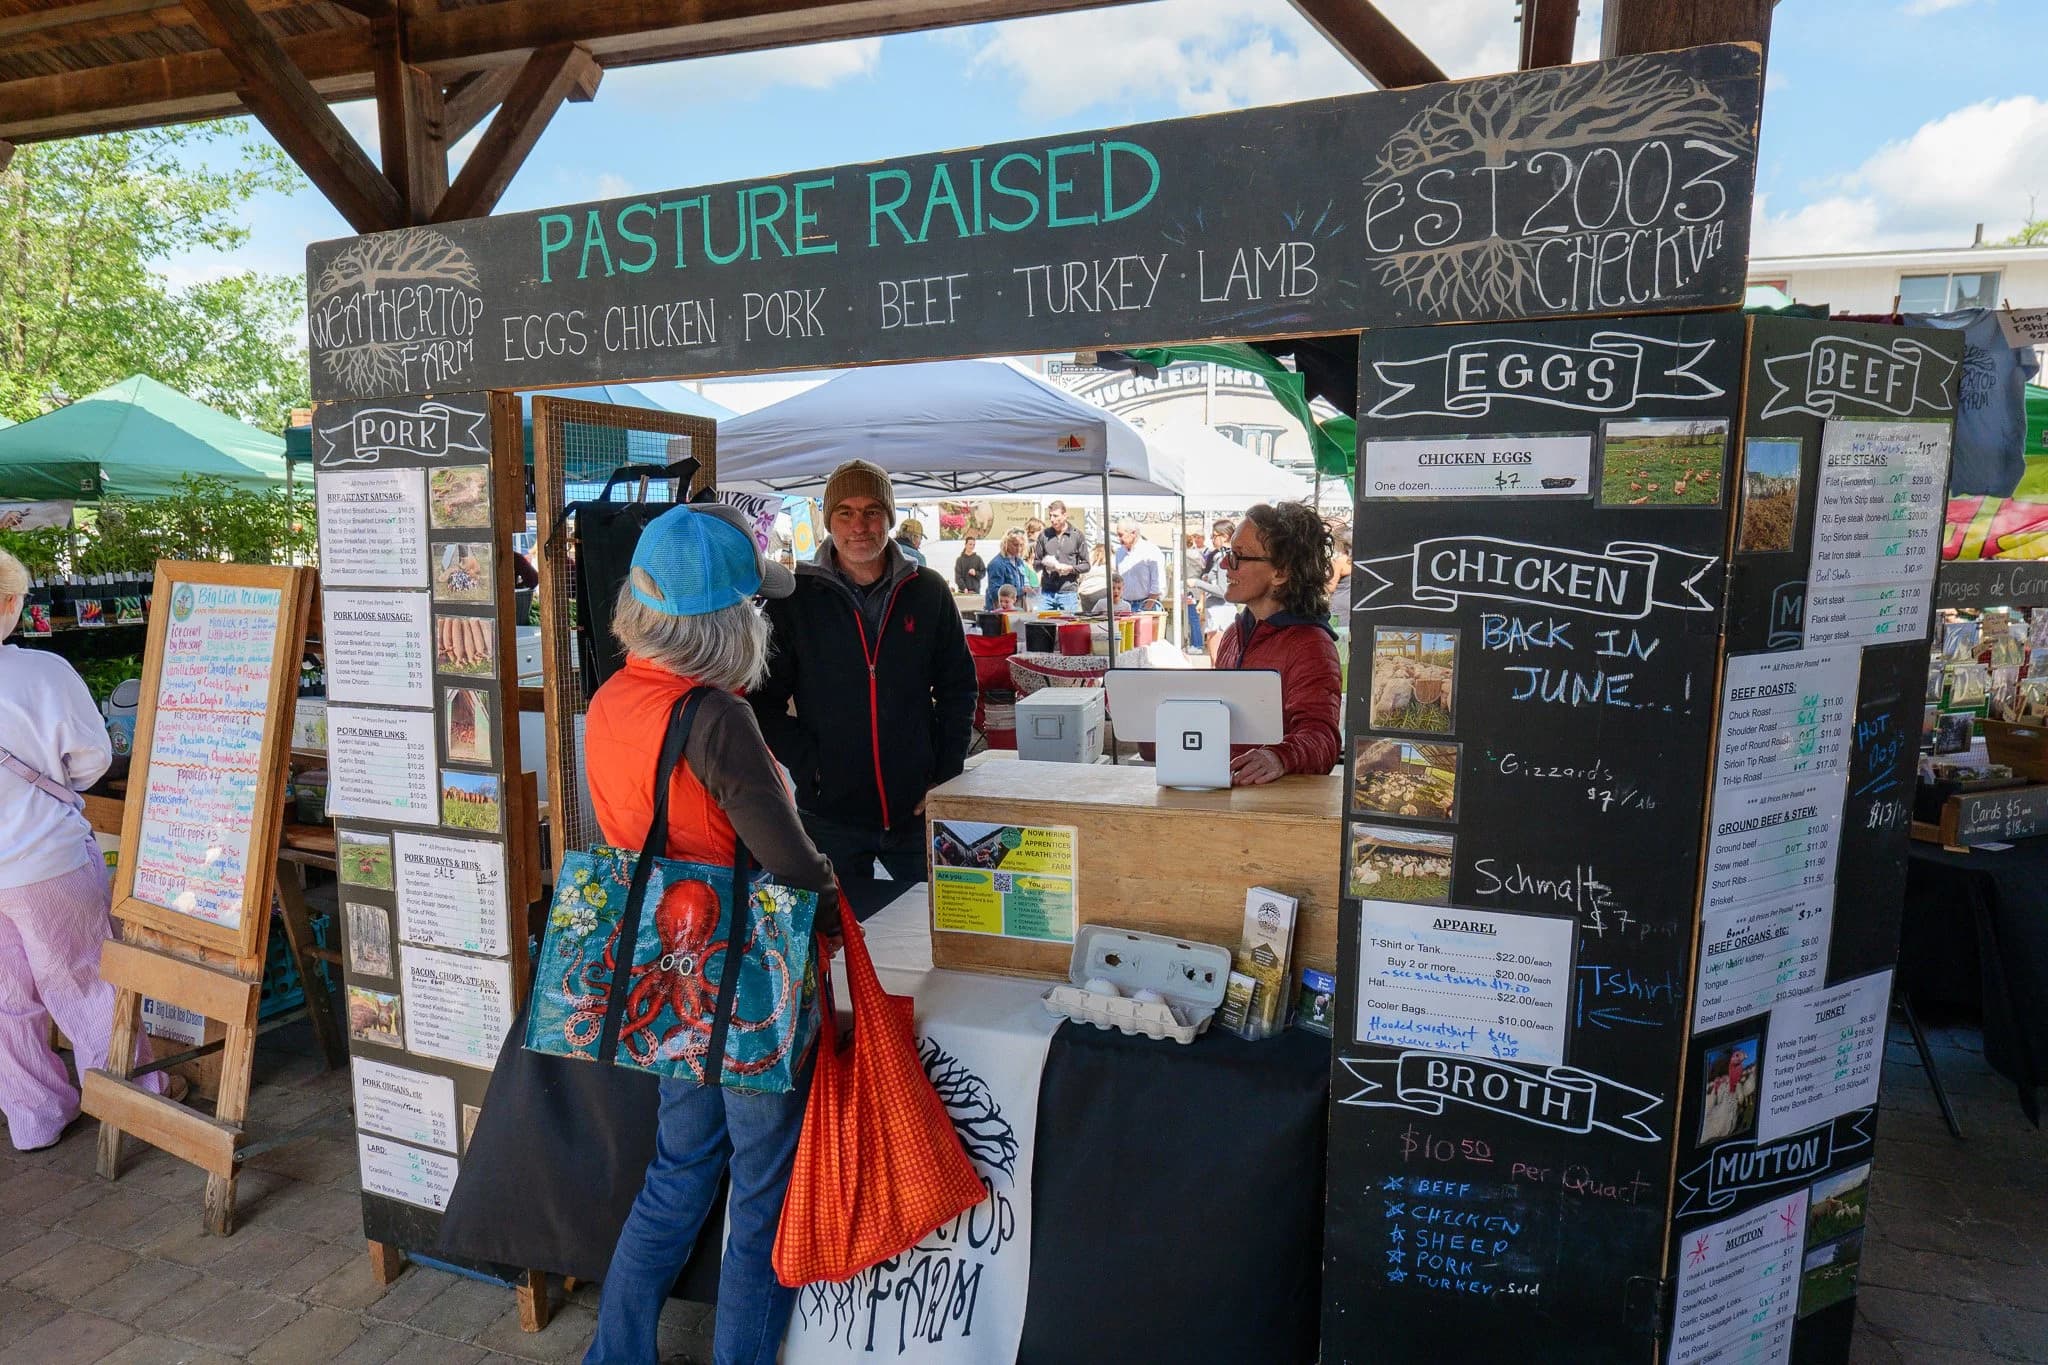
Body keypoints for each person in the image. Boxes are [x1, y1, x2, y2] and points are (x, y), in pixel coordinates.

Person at [582, 503, 841, 1365]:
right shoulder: (716, 717)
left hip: (667, 973)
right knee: (761, 1194)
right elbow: (792, 864)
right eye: (752, 608)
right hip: (746, 983)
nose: (762, 621)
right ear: (725, 622)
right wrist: (834, 896)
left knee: (678, 1171)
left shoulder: (611, 698)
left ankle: (615, 1352)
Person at [752, 460, 977, 917]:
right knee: (837, 940)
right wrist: (812, 766)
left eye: (873, 511)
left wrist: (944, 773)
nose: (860, 526)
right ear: (829, 521)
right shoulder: (795, 599)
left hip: (916, 807)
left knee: (934, 926)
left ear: (890, 519)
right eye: (846, 513)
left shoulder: (928, 591)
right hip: (830, 813)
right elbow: (763, 701)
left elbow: (958, 688)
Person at [0, 549, 169, 1153]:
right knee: (86, 980)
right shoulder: (42, 672)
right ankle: (136, 1099)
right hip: (46, 858)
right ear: (11, 604)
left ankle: (34, 1119)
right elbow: (93, 761)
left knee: (7, 1001)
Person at [1212, 503, 1342, 785]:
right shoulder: (1233, 636)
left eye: (1238, 556)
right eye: (1228, 553)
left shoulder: (1311, 645)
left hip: (1271, 811)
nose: (1225, 565)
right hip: (1228, 798)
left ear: (1280, 573)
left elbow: (1323, 738)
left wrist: (1280, 756)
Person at [1031, 502, 1087, 610]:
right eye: (1050, 516)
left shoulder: (1077, 536)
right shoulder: (1044, 535)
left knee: (1068, 626)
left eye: (1055, 516)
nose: (1052, 519)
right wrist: (1047, 564)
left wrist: (1071, 568)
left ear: (1065, 515)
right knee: (1043, 625)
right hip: (1047, 593)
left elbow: (1086, 565)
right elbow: (1036, 564)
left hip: (1068, 593)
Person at [1113, 518, 1165, 612]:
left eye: (1121, 535)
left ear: (1133, 533)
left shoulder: (1151, 550)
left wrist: (1147, 607)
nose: (1119, 539)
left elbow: (1158, 584)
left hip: (1147, 604)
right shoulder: (1119, 553)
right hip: (1125, 605)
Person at [983, 530, 1031, 611]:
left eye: (1021, 545)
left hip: (1016, 608)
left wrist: (1028, 588)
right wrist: (1020, 591)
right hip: (1000, 611)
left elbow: (1023, 581)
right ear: (1006, 543)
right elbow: (995, 593)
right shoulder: (996, 564)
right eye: (1015, 545)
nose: (1019, 548)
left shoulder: (1019, 562)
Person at [1328, 524, 1353, 622]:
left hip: (1340, 608)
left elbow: (1330, 587)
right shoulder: (1357, 561)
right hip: (1353, 604)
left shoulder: (1339, 561)